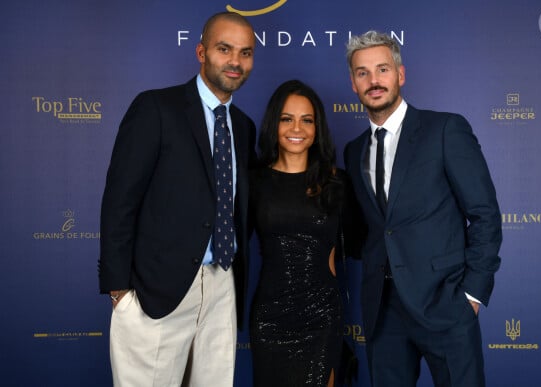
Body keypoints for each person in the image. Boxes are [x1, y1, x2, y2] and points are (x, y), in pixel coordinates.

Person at [98, 12, 257, 387]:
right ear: (201, 52)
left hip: (222, 286)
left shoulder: (245, 127)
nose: (235, 61)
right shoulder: (155, 108)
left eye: (246, 53)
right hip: (156, 290)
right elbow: (119, 201)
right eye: (224, 49)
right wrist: (119, 290)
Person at [343, 31, 502, 387]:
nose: (374, 81)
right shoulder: (354, 151)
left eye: (382, 69)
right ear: (353, 83)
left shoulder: (444, 129)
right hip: (383, 313)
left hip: (444, 303)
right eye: (362, 72)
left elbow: (484, 214)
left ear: (400, 74)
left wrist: (471, 295)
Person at [249, 80, 360, 387]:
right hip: (269, 316)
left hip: (321, 316)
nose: (296, 128)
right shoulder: (254, 181)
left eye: (306, 120)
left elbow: (357, 243)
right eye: (287, 119)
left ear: (317, 127)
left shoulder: (337, 182)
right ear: (274, 124)